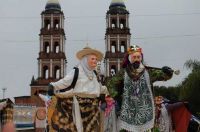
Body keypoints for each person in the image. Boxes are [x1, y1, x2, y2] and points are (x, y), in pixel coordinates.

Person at [106, 45, 174, 132]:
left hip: (146, 110)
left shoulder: (148, 72)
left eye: (138, 57)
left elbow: (163, 76)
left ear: (141, 58)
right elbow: (110, 83)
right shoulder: (123, 72)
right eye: (134, 57)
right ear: (130, 58)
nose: (136, 59)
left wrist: (168, 72)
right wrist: (118, 97)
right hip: (129, 111)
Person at [47, 46, 108, 132]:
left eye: (96, 59)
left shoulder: (94, 74)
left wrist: (106, 94)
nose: (95, 61)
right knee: (78, 128)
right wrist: (53, 86)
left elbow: (99, 88)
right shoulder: (77, 72)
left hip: (93, 108)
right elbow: (65, 82)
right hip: (79, 106)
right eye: (93, 59)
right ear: (86, 60)